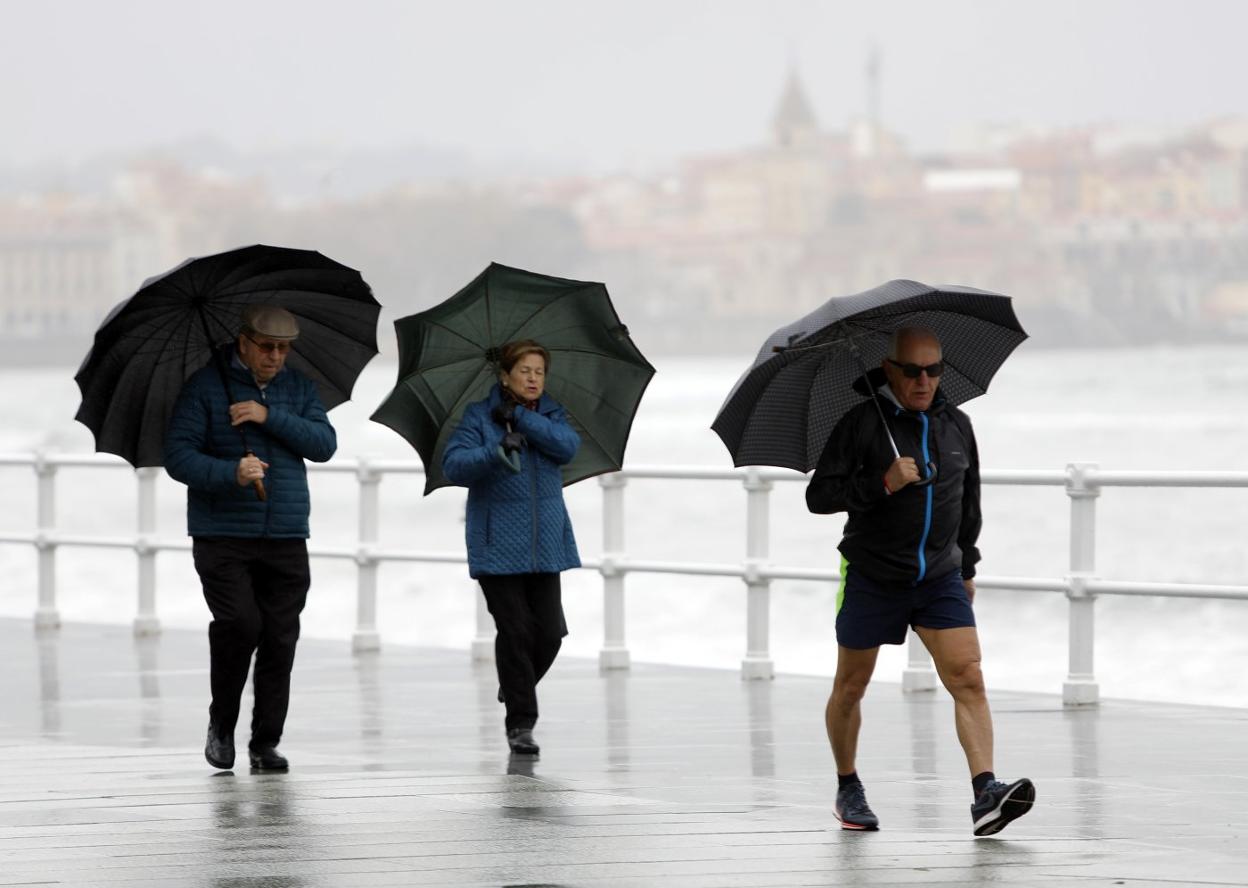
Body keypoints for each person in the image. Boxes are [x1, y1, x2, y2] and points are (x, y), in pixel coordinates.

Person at [806, 326, 1035, 837]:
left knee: (969, 676)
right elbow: (819, 496)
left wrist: (968, 566)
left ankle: (986, 794)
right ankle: (848, 785)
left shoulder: (958, 425)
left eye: (934, 369)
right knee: (851, 686)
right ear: (889, 369)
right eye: (913, 370)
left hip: (939, 576)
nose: (924, 380)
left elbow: (968, 501)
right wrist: (882, 483)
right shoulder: (861, 422)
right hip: (873, 573)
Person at [164, 304, 336, 772]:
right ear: (244, 342)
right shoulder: (204, 387)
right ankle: (222, 724)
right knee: (241, 626)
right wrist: (230, 473)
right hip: (222, 535)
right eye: (267, 347)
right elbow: (178, 457)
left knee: (280, 637)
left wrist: (267, 416)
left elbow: (324, 445)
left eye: (283, 349)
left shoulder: (298, 388)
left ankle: (265, 742)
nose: (276, 357)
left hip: (285, 533)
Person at [443, 339, 581, 757]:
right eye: (525, 371)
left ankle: (514, 684)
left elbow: (567, 447)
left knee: (552, 634)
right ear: (505, 375)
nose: (534, 378)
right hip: (496, 544)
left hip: (545, 545)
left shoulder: (552, 414)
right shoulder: (478, 417)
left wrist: (521, 418)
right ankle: (521, 723)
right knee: (516, 630)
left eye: (540, 371)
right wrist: (497, 448)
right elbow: (454, 465)